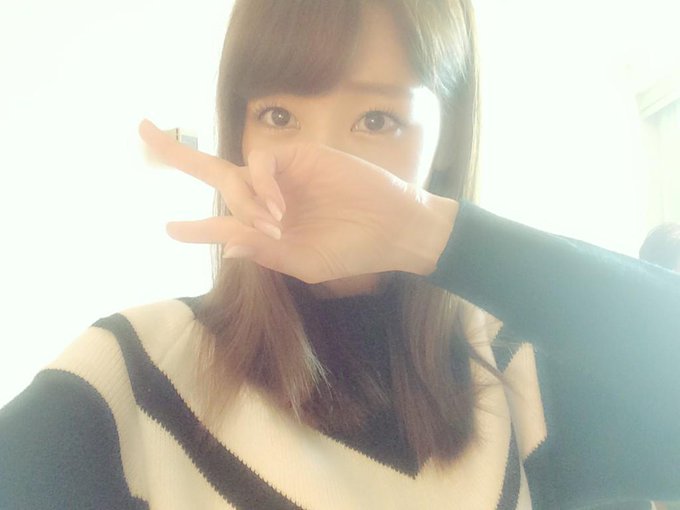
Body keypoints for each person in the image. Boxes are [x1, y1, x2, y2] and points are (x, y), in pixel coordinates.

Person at [1, 1, 679, 509]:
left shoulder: (527, 370)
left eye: (377, 121)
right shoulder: (134, 377)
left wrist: (434, 234)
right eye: (277, 116)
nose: (319, 169)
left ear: (445, 139)